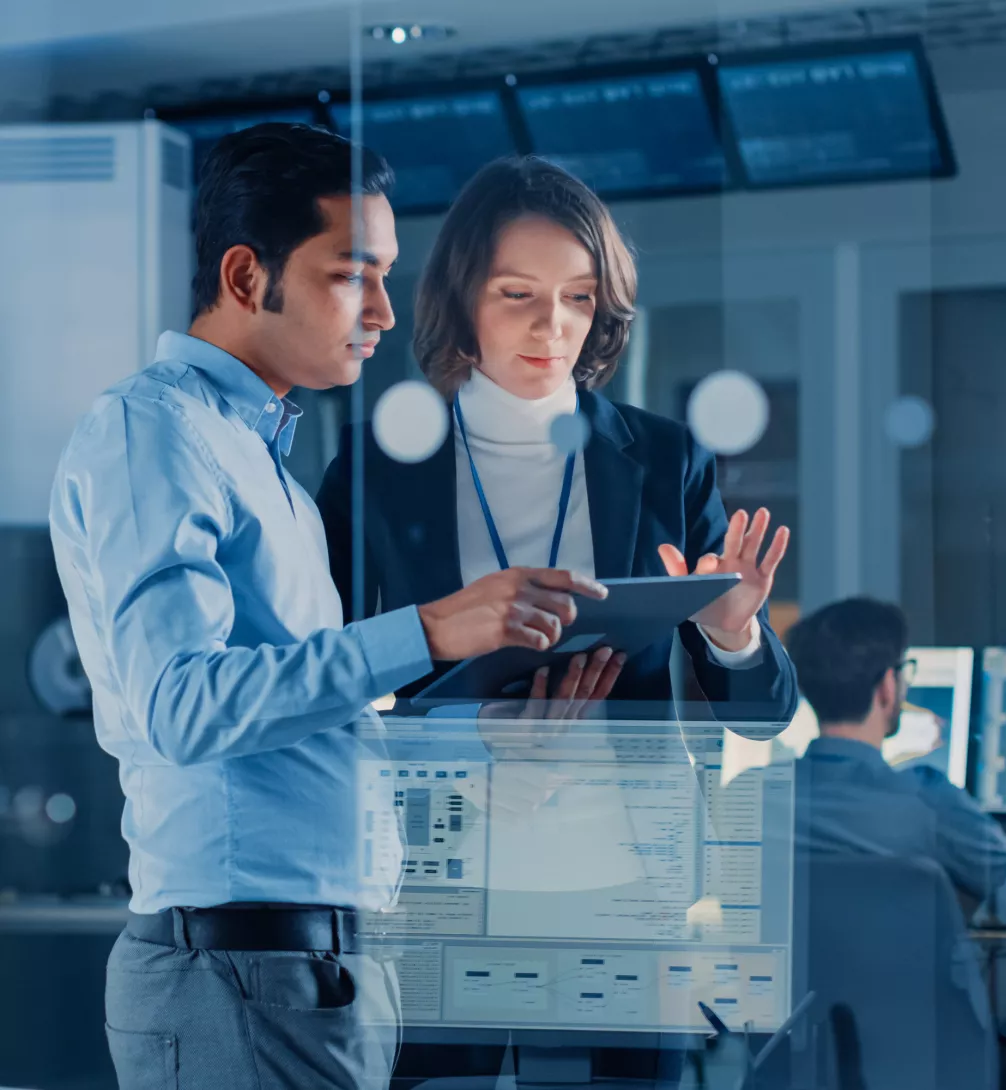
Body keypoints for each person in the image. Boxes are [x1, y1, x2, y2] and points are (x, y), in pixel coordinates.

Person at [48, 124, 611, 1090]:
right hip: (240, 972)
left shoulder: (266, 466)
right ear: (243, 275)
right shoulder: (153, 430)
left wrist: (483, 769)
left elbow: (300, 740)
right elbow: (180, 706)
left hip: (309, 971)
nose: (385, 311)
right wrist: (433, 628)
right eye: (353, 275)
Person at [317, 156, 798, 727]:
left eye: (578, 296)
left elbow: (762, 718)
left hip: (633, 805)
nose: (553, 327)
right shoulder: (375, 465)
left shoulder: (667, 459)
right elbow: (321, 683)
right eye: (518, 294)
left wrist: (733, 636)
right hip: (455, 804)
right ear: (461, 300)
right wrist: (468, 737)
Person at [786, 597, 1006, 1055]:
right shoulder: (926, 802)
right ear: (887, 686)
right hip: (917, 1058)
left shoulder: (753, 797)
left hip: (793, 1057)